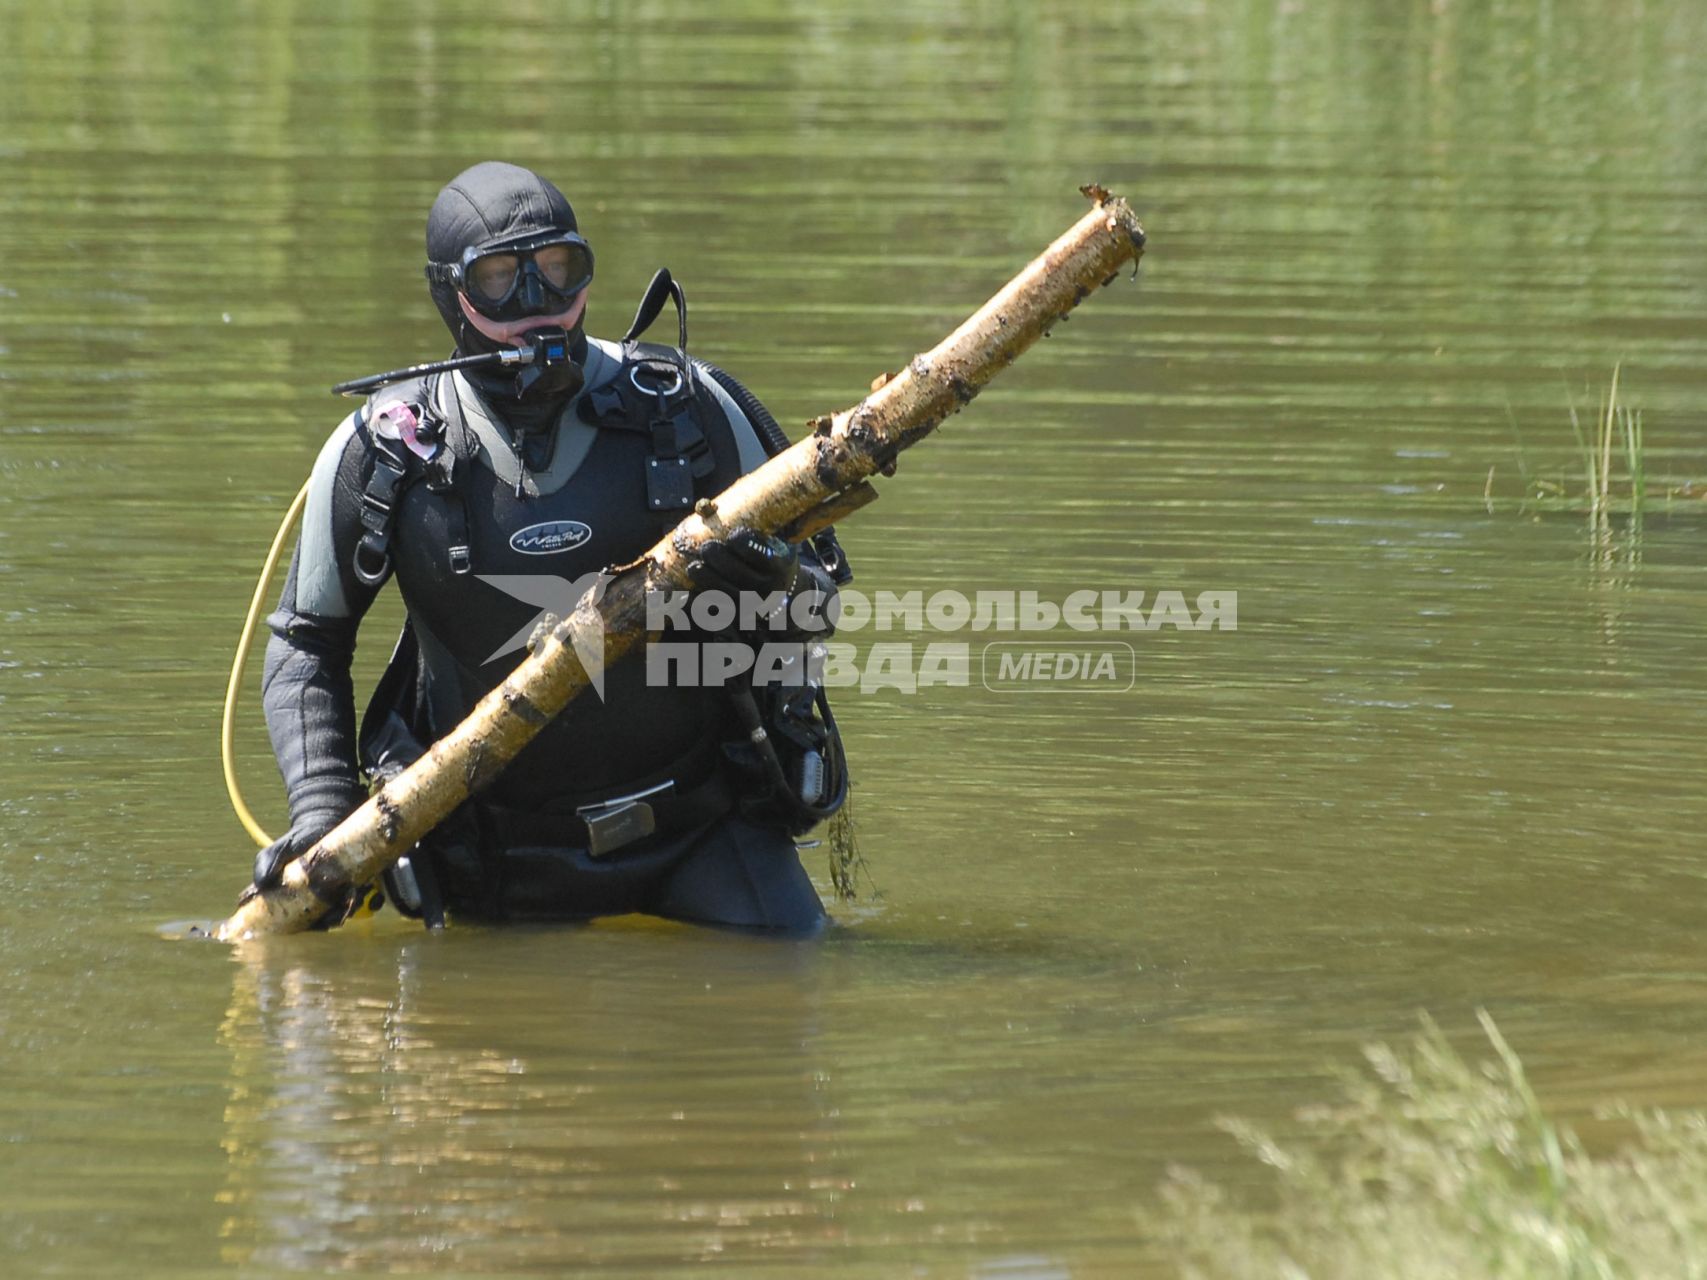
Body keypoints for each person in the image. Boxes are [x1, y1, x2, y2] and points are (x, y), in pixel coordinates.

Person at [250, 160, 849, 933]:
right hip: (487, 856)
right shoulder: (385, 451)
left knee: (798, 981)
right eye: (501, 281)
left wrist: (779, 590)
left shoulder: (693, 410)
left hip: (702, 834)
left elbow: (821, 601)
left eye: (559, 272)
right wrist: (324, 812)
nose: (538, 308)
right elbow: (305, 643)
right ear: (450, 295)